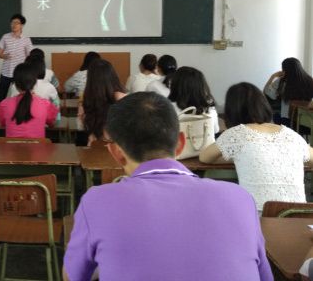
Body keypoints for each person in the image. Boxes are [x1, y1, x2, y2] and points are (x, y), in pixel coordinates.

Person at [63, 92, 273, 281]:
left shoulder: (97, 201)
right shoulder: (240, 198)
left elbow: (73, 276)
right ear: (180, 143)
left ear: (116, 153)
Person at [200, 82, 312, 212]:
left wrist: (238, 157)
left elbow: (204, 157)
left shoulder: (236, 134)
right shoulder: (291, 135)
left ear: (232, 111)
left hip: (258, 217)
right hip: (298, 216)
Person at [0, 63, 58, 139]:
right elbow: (52, 123)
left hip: (11, 146)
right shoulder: (45, 104)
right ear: (35, 83)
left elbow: (3, 123)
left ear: (15, 85)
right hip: (38, 146)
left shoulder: (4, 104)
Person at [79, 58, 126, 145]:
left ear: (90, 80)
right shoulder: (121, 97)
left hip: (97, 147)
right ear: (113, 76)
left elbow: (83, 130)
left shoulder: (87, 99)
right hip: (119, 147)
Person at [168, 66, 220, 134]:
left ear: (175, 85)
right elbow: (216, 130)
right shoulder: (209, 107)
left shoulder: (168, 108)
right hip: (206, 140)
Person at [264, 57, 313, 125]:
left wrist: (273, 76)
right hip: (306, 120)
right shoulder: (309, 81)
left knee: (273, 115)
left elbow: (268, 93)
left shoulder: (282, 81)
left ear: (286, 70)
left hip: (286, 118)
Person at [0, 14, 33, 104]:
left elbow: (30, 56)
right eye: (12, 22)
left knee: (19, 98)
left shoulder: (26, 40)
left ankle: (18, 112)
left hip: (18, 74)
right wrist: (4, 56)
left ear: (22, 25)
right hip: (5, 73)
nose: (14, 25)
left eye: (16, 23)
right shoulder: (5, 37)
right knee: (1, 97)